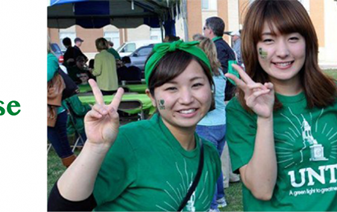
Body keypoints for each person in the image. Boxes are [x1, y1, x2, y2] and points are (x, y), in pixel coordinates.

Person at [47, 41, 221, 211]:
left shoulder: (210, 155)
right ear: (151, 96)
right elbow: (61, 208)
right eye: (171, 88)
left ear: (211, 88)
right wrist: (95, 147)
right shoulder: (128, 142)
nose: (186, 98)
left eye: (197, 85)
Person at [225, 0, 337, 210]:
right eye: (268, 40)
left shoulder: (335, 96)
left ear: (307, 42)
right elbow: (261, 189)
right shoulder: (241, 109)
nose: (282, 52)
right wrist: (265, 118)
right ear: (254, 47)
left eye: (293, 38)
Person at [195, 38, 228, 211]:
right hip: (222, 123)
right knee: (214, 163)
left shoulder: (202, 75)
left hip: (205, 125)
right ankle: (220, 197)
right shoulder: (219, 73)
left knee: (206, 167)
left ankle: (212, 205)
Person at [48, 51, 77, 167]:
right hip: (50, 113)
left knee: (64, 151)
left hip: (54, 113)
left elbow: (46, 75)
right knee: (63, 150)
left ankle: (79, 175)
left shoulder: (49, 58)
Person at [204, 16, 238, 101]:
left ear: (210, 31)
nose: (203, 31)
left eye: (204, 28)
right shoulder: (223, 45)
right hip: (227, 89)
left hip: (223, 92)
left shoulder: (217, 47)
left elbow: (220, 70)